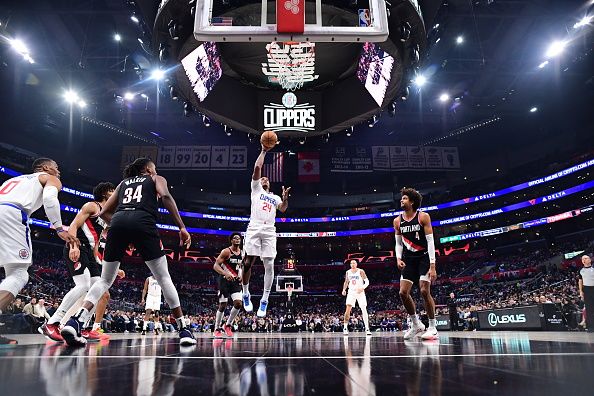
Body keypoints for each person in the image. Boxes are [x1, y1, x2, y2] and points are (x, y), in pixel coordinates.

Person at [61, 157, 196, 346]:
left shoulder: (123, 183)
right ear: (148, 170)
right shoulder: (156, 179)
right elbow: (165, 197)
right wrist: (181, 227)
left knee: (105, 280)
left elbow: (104, 212)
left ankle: (76, 321)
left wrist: (122, 227)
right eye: (154, 168)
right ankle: (184, 329)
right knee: (164, 278)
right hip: (143, 221)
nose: (155, 171)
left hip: (117, 223)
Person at [0, 158, 78, 344]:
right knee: (19, 274)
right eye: (56, 167)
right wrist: (59, 228)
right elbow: (50, 199)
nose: (58, 172)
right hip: (12, 215)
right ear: (45, 168)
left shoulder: (12, 181)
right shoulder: (48, 178)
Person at [39, 182, 123, 342]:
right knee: (83, 286)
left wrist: (105, 265)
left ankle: (83, 327)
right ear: (106, 193)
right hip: (79, 247)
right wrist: (73, 246)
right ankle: (51, 323)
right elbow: (74, 225)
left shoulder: (106, 215)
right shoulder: (92, 206)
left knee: (100, 291)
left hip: (90, 254)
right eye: (113, 191)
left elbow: (96, 246)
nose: (116, 195)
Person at [242, 143, 290, 317]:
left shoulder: (275, 197)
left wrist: (285, 199)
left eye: (266, 179)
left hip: (270, 230)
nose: (264, 179)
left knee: (269, 264)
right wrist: (263, 150)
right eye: (262, 179)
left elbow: (283, 209)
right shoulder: (255, 190)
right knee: (248, 262)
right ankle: (245, 293)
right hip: (254, 226)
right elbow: (257, 167)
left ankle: (264, 300)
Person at [393, 187, 439, 340]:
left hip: (424, 257)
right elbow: (398, 243)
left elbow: (430, 242)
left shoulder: (423, 217)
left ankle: (432, 327)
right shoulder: (397, 221)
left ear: (412, 202)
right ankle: (416, 324)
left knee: (424, 291)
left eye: (405, 198)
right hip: (409, 259)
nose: (402, 200)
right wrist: (398, 258)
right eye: (402, 198)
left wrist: (433, 266)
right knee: (402, 293)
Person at [212, 232, 244, 338]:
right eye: (235, 238)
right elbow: (216, 265)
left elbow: (241, 267)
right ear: (231, 240)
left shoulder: (243, 253)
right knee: (223, 305)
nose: (237, 239)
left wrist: (241, 275)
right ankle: (217, 328)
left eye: (239, 238)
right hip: (224, 281)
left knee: (238, 304)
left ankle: (228, 325)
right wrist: (225, 273)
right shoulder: (226, 251)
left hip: (235, 281)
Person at [341, 260, 372, 335]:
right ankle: (345, 328)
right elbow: (346, 282)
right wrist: (344, 289)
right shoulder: (348, 272)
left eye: (354, 263)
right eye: (351, 263)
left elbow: (367, 281)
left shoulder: (361, 271)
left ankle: (367, 329)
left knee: (364, 309)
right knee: (348, 309)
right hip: (351, 291)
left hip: (360, 291)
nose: (352, 264)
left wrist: (362, 288)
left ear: (356, 264)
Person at [578, 254, 594, 333]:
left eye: (586, 258)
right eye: (583, 259)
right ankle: (591, 327)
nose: (584, 259)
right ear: (582, 261)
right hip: (587, 290)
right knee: (589, 309)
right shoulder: (581, 271)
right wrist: (581, 291)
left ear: (590, 260)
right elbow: (580, 281)